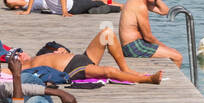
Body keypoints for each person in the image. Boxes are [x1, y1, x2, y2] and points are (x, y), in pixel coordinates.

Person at [20, 22, 162, 85]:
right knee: (108, 71)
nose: (21, 54)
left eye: (20, 52)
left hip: (81, 58)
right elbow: (5, 73)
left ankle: (125, 69)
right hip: (72, 69)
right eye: (17, 55)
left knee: (107, 33)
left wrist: (61, 51)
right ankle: (147, 80)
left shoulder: (40, 54)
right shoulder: (26, 66)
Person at [118, 0, 182, 65]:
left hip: (131, 45)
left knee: (171, 53)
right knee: (177, 57)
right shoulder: (141, 6)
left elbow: (165, 11)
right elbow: (148, 37)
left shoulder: (137, 0)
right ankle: (170, 78)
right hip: (134, 47)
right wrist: (166, 48)